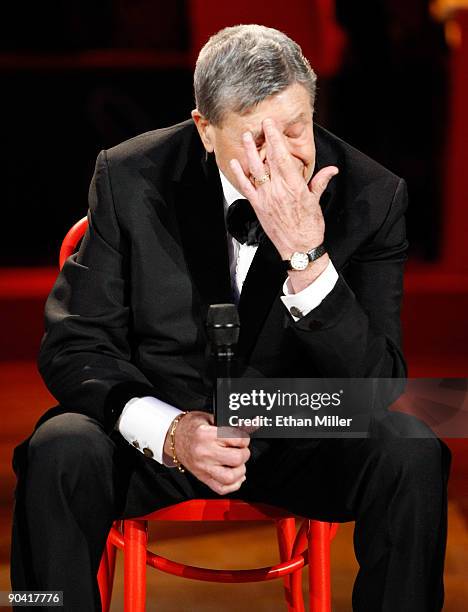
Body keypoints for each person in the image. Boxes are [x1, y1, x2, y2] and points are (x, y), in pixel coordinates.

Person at [11, 24, 450, 611]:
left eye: (296, 129)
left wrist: (307, 260)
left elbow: (377, 386)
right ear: (204, 129)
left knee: (414, 447)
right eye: (254, 138)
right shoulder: (129, 176)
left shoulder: (370, 196)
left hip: (302, 427)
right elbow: (74, 346)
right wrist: (170, 431)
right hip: (168, 422)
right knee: (59, 448)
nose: (282, 156)